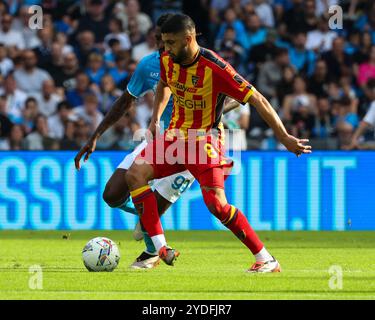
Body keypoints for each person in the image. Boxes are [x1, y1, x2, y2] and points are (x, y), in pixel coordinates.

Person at [122, 14, 311, 272]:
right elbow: (165, 84)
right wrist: (155, 119)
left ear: (189, 39)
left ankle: (265, 259)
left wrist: (284, 136)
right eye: (164, 42)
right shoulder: (168, 60)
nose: (165, 48)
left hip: (204, 140)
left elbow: (258, 99)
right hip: (175, 137)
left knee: (217, 205)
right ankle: (159, 248)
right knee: (135, 175)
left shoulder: (216, 68)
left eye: (171, 42)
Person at [74, 14, 241, 270]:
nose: (163, 45)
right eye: (158, 39)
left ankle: (153, 250)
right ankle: (149, 227)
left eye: (168, 40)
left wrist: (212, 115)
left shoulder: (205, 63)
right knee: (112, 194)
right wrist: (95, 135)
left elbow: (236, 97)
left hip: (196, 143)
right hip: (160, 138)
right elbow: (125, 101)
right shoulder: (151, 65)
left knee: (153, 214)